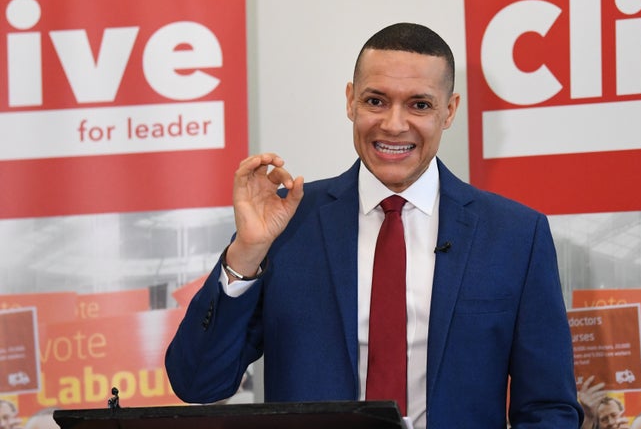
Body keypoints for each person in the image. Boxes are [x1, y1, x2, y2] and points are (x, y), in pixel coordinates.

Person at [165, 22, 582, 429]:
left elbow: (549, 408)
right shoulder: (289, 222)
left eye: (419, 104)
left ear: (449, 110)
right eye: (376, 101)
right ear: (350, 101)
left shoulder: (515, 236)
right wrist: (245, 254)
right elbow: (198, 382)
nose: (394, 125)